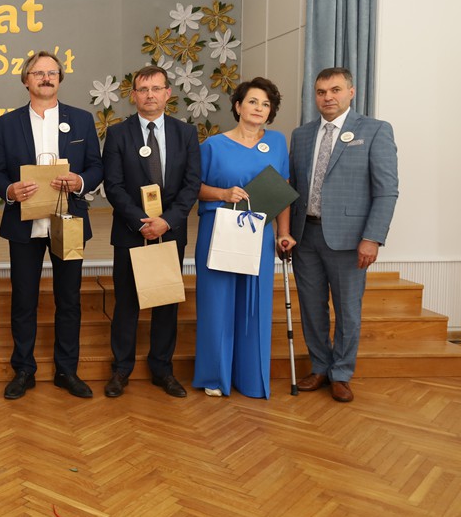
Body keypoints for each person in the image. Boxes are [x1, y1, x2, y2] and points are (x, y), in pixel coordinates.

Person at [0, 51, 103, 399]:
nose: (46, 78)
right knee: (24, 299)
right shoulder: (7, 124)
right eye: (38, 73)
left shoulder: (81, 120)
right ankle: (24, 370)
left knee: (69, 299)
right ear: (26, 80)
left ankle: (67, 370)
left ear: (60, 78)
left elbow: (96, 167)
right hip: (24, 224)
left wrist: (80, 181)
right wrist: (9, 190)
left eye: (52, 72)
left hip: (69, 221)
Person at [289, 67, 399, 403]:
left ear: (351, 92)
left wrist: (372, 237)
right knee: (312, 308)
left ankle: (341, 373)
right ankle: (320, 367)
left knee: (348, 310)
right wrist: (285, 232)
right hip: (305, 236)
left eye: (335, 90)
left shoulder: (375, 130)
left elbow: (386, 190)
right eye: (321, 92)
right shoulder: (302, 135)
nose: (328, 97)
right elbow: (293, 187)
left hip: (350, 240)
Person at [102, 65, 201, 399]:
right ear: (133, 96)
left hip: (170, 232)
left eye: (156, 89)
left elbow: (191, 185)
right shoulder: (118, 134)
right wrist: (141, 221)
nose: (149, 95)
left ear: (168, 93)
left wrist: (167, 221)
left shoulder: (185, 133)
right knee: (126, 303)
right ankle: (121, 369)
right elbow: (113, 186)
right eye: (143, 89)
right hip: (131, 231)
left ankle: (162, 369)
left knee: (166, 303)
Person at [192, 77, 293, 399]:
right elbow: (194, 187)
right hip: (218, 231)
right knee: (217, 303)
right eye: (252, 101)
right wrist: (222, 193)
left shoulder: (277, 143)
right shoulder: (212, 146)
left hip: (258, 234)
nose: (259, 108)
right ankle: (215, 376)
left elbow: (283, 191)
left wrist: (284, 233)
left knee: (254, 304)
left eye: (266, 104)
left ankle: (250, 379)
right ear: (238, 106)